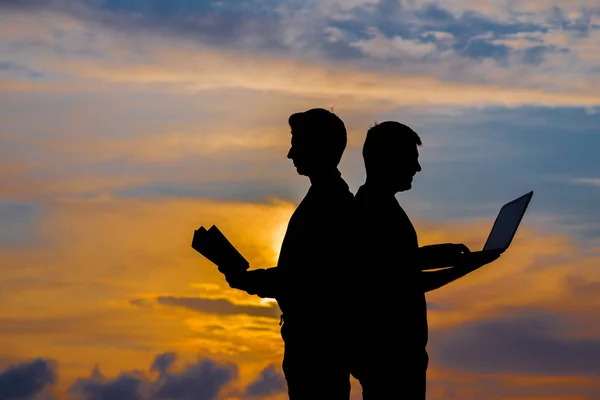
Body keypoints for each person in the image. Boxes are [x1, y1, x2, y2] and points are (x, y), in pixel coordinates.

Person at [349, 121, 501, 399]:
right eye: (411, 159)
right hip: (390, 357)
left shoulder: (376, 205)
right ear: (386, 160)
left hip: (392, 356)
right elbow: (403, 281)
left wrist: (440, 253)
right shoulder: (374, 211)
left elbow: (396, 262)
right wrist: (464, 268)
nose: (417, 168)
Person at [224, 108, 355, 399]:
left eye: (296, 142)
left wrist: (248, 281)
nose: (290, 154)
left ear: (316, 146)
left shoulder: (329, 204)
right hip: (313, 346)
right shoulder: (329, 200)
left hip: (317, 347)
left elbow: (306, 279)